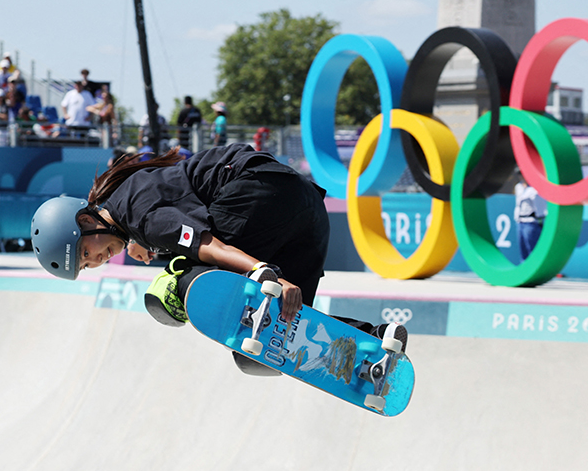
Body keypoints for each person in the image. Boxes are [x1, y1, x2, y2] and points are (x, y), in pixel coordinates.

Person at [30, 144, 407, 376]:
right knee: (268, 347)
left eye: (85, 253)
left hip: (261, 192)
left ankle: (241, 283)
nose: (96, 261)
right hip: (306, 212)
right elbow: (172, 211)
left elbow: (208, 243)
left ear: (86, 221)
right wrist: (142, 242)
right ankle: (374, 343)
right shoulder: (135, 213)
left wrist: (258, 270)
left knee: (175, 285)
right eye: (87, 266)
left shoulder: (142, 218)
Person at [513, 171, 548, 260]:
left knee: (533, 250)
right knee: (523, 250)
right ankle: (524, 270)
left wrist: (539, 220)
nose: (521, 176)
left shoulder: (535, 189)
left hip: (531, 223)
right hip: (520, 222)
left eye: (522, 174)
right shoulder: (518, 187)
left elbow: (540, 208)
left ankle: (536, 271)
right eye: (519, 174)